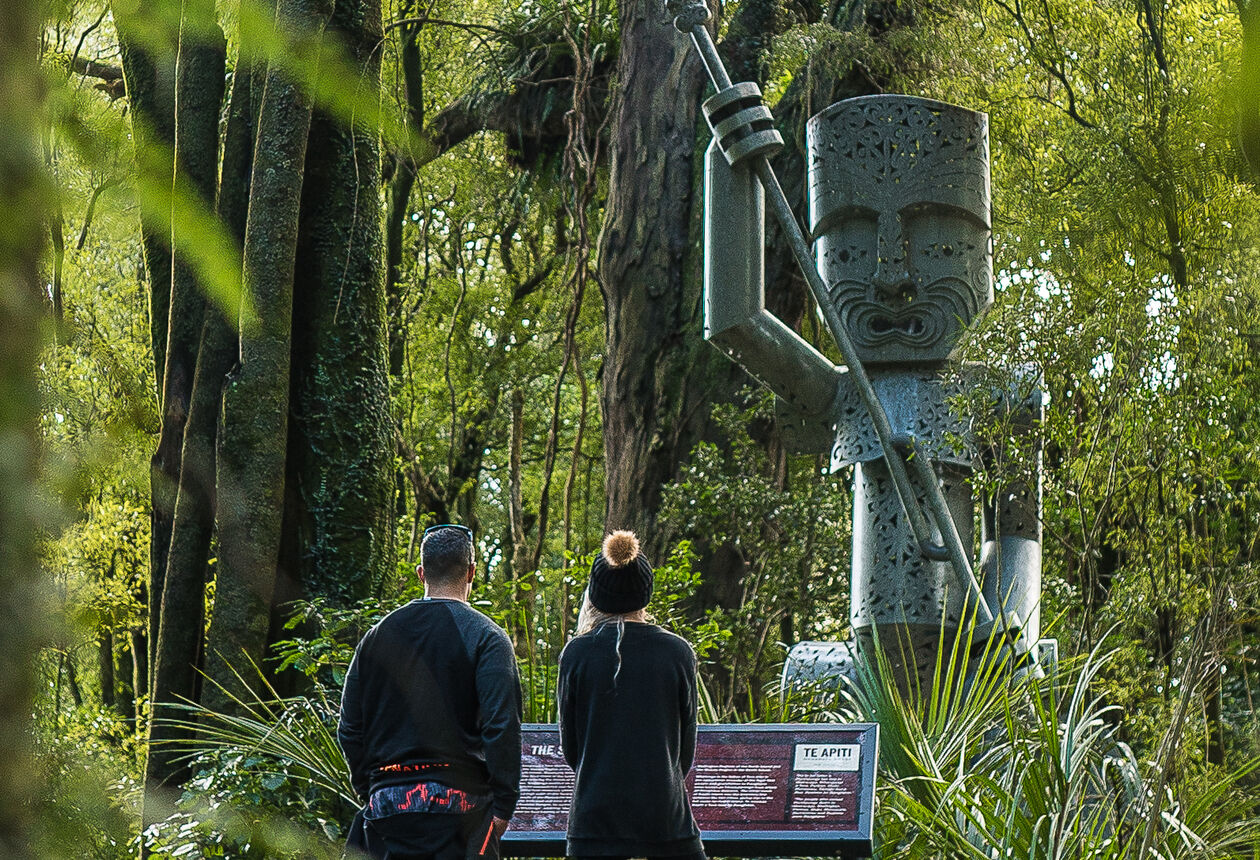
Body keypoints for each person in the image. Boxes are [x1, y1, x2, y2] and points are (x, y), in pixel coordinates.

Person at [338, 524, 522, 860]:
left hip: (388, 807)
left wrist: (373, 788)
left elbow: (350, 728)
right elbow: (501, 726)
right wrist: (503, 807)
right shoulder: (487, 638)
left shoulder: (376, 638)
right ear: (471, 572)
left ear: (421, 572)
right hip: (463, 809)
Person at [557, 530, 706, 860]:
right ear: (645, 593)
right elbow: (685, 747)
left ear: (595, 594)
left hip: (593, 820)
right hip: (665, 817)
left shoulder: (577, 654)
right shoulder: (677, 653)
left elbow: (572, 747)